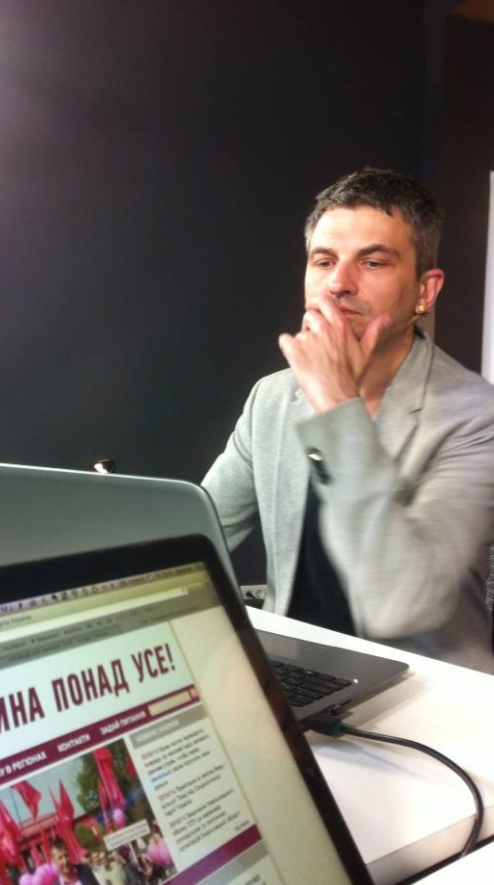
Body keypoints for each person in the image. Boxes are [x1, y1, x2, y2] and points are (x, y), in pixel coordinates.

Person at [202, 167, 494, 671]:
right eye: (324, 261)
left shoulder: (475, 416)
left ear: (425, 292)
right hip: (295, 670)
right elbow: (199, 538)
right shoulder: (272, 397)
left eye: (373, 262)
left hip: (427, 689)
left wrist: (337, 407)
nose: (338, 283)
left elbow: (400, 602)